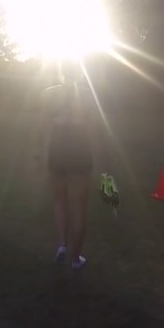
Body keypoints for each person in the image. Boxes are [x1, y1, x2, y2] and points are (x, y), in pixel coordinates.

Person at [35, 61, 106, 270]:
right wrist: (101, 156)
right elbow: (94, 129)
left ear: (61, 72)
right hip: (79, 148)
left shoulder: (48, 94)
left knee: (59, 200)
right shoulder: (88, 95)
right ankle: (76, 259)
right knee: (80, 208)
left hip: (57, 148)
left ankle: (62, 245)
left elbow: (42, 126)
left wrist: (38, 153)